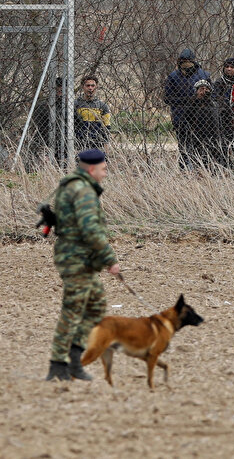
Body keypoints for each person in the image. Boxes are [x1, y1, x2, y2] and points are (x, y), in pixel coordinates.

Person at [45, 149, 120, 381]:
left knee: (96, 304)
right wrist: (109, 259)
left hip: (77, 257)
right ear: (91, 169)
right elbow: (91, 230)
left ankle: (74, 360)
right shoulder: (84, 191)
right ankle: (58, 365)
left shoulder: (72, 185)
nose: (105, 174)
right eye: (104, 169)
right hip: (75, 259)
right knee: (73, 310)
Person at [164, 49, 211, 170]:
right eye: (183, 61)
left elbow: (211, 96)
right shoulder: (173, 77)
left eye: (188, 61)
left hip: (201, 117)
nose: (185, 64)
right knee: (184, 146)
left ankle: (200, 168)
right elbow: (167, 98)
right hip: (181, 117)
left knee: (200, 144)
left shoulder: (204, 75)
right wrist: (188, 100)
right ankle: (185, 169)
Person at [183, 79, 222, 168]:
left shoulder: (213, 104)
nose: (204, 91)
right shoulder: (192, 103)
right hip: (196, 135)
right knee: (196, 157)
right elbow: (187, 116)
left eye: (206, 89)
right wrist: (198, 99)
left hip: (211, 135)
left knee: (212, 158)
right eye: (201, 89)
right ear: (196, 91)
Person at [74, 75, 112, 150]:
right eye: (87, 85)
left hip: (97, 145)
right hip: (79, 144)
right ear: (83, 87)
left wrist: (106, 151)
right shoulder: (75, 105)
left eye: (92, 85)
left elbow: (106, 129)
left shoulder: (102, 106)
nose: (90, 88)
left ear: (96, 87)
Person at [212, 57, 234, 159]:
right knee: (223, 143)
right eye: (227, 66)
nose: (229, 69)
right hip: (223, 118)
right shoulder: (219, 82)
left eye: (232, 67)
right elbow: (215, 98)